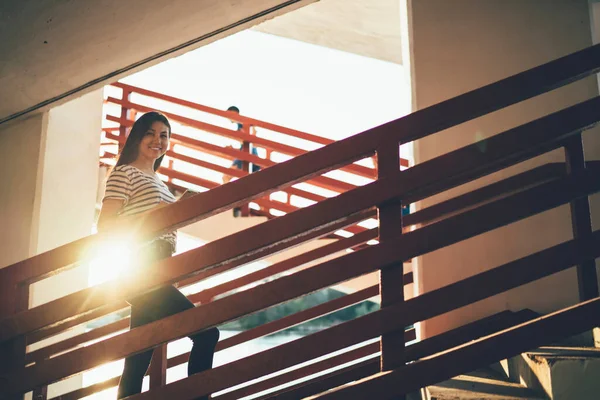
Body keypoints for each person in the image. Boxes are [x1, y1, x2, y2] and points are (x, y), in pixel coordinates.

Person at [97, 111, 219, 399]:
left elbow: (161, 224)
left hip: (160, 268)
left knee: (138, 358)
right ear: (137, 137)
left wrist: (180, 208)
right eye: (150, 133)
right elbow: (106, 226)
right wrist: (158, 214)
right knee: (206, 332)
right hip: (141, 267)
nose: (157, 140)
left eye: (164, 135)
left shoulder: (160, 182)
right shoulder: (124, 172)